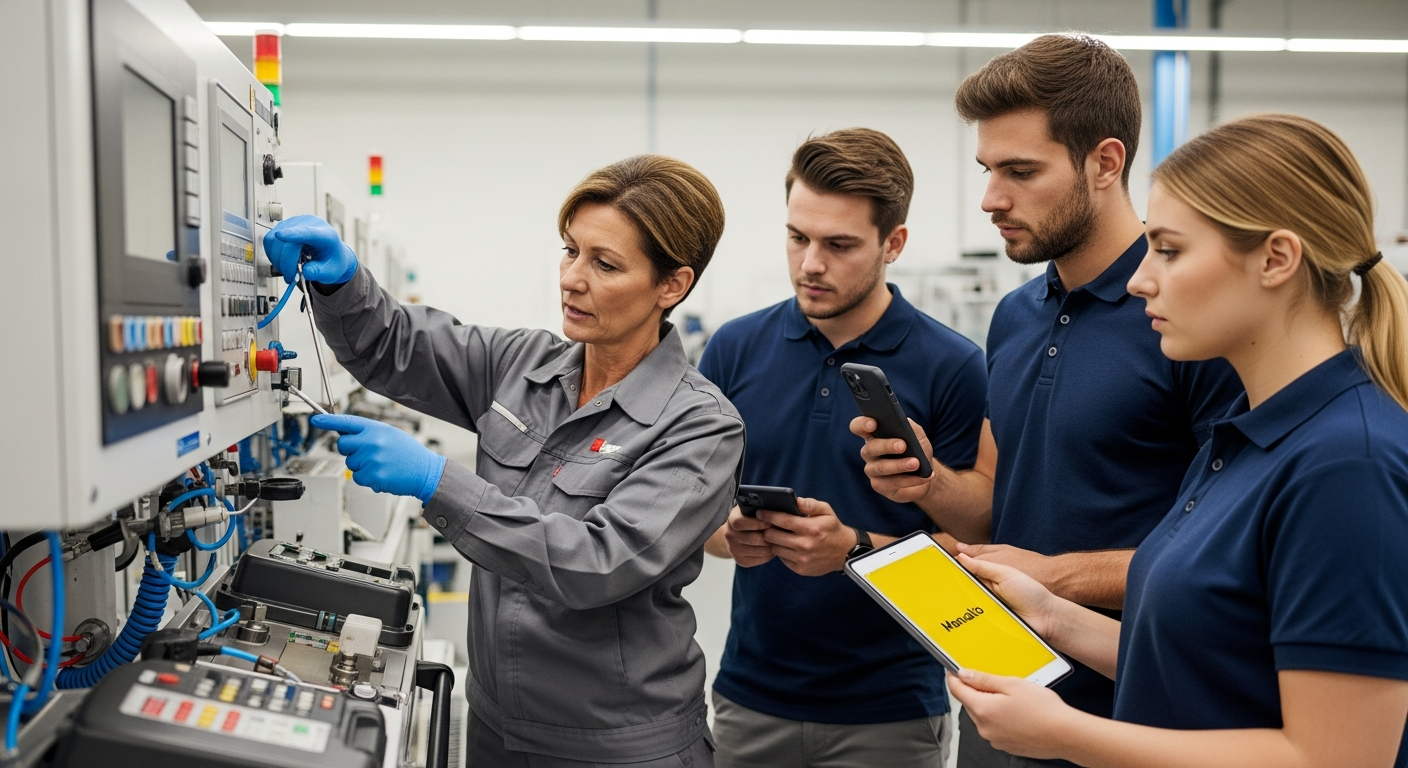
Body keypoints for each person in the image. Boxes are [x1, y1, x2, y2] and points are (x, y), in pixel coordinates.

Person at [949, 113, 1408, 768]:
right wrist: (1053, 616)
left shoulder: (1347, 463)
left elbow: (1333, 757)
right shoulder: (1244, 437)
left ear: (1276, 259)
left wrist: (1066, 735)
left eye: (1168, 250)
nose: (1139, 279)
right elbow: (1203, 665)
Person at [262, 155, 746, 767]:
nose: (572, 278)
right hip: (495, 726)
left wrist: (440, 483)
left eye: (605, 264)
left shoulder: (699, 426)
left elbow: (598, 563)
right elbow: (395, 346)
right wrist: (341, 283)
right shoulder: (523, 364)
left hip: (618, 748)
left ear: (671, 285)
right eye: (570, 250)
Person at [852, 34, 1243, 767]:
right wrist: (929, 483)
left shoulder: (1190, 324)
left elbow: (1231, 559)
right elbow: (999, 505)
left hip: (1139, 710)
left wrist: (1054, 578)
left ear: (1105, 162)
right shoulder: (1014, 316)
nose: (992, 199)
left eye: (1020, 171)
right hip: (1001, 695)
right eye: (988, 169)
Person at [700, 128, 988, 767]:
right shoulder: (733, 350)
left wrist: (855, 550)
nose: (810, 264)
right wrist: (730, 535)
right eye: (798, 237)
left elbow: (978, 544)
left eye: (839, 245)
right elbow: (698, 517)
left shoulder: (954, 367)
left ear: (894, 243)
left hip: (890, 710)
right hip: (750, 696)